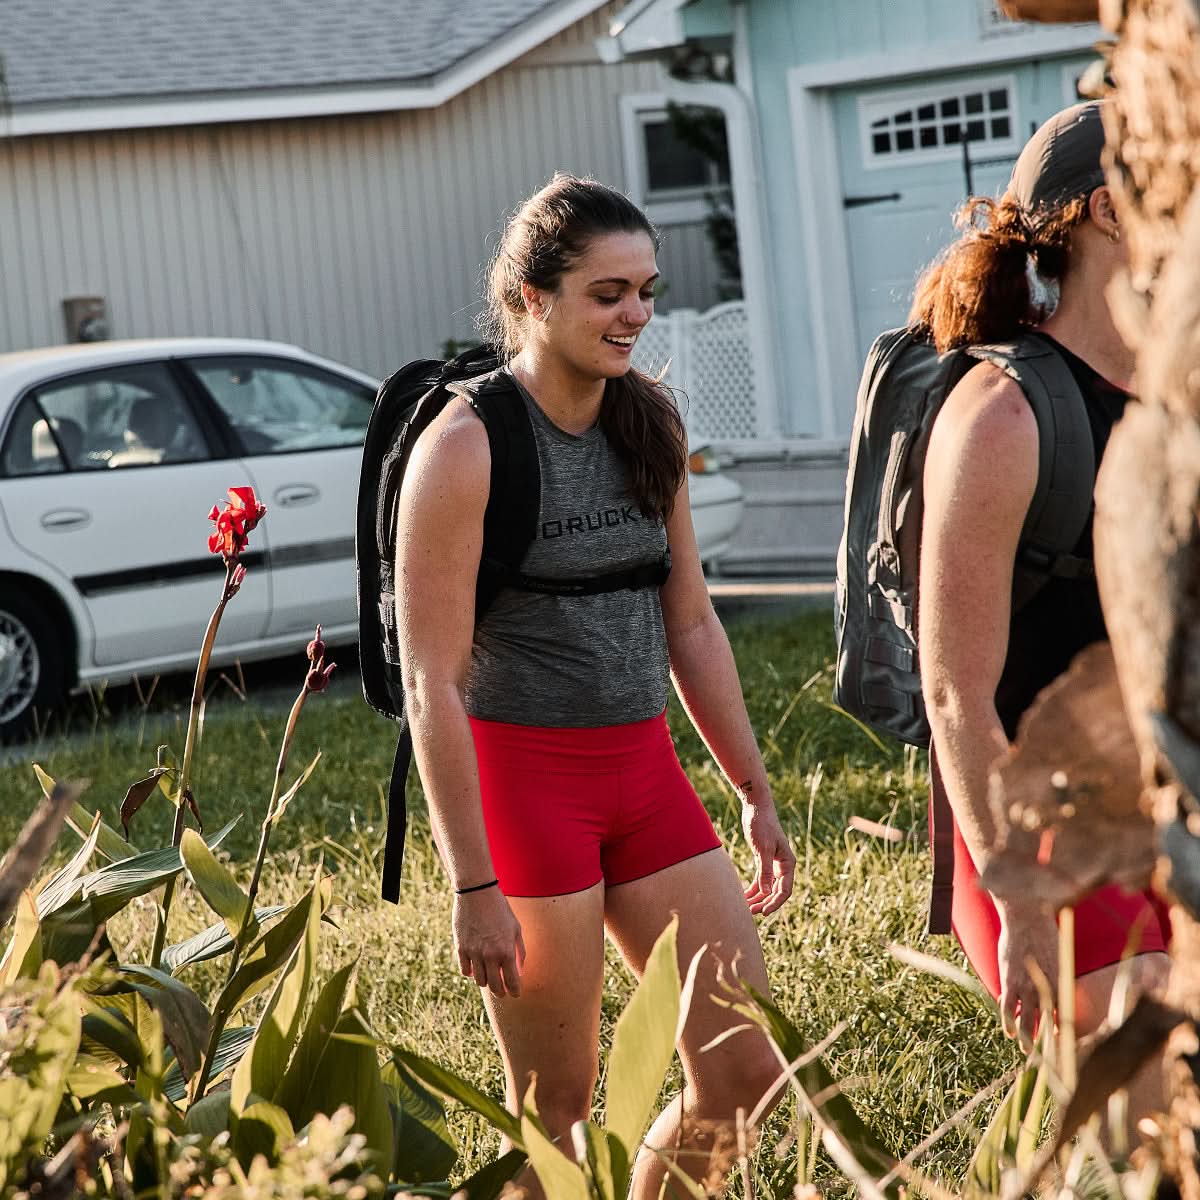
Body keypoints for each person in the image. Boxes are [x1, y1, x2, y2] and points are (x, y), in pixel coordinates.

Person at [395, 174, 795, 1197]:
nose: (636, 315)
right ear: (533, 296)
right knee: (558, 1117)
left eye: (646, 290)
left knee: (747, 1069)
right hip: (526, 790)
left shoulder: (647, 421)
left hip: (645, 772)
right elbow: (430, 681)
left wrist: (750, 788)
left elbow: (692, 621)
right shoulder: (465, 446)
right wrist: (472, 884)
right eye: (608, 293)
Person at [914, 102, 1171, 1105]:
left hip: (1165, 807)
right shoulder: (1005, 414)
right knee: (1159, 1113)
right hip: (1042, 838)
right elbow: (953, 689)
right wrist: (1018, 900)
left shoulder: (1173, 397)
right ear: (1110, 209)